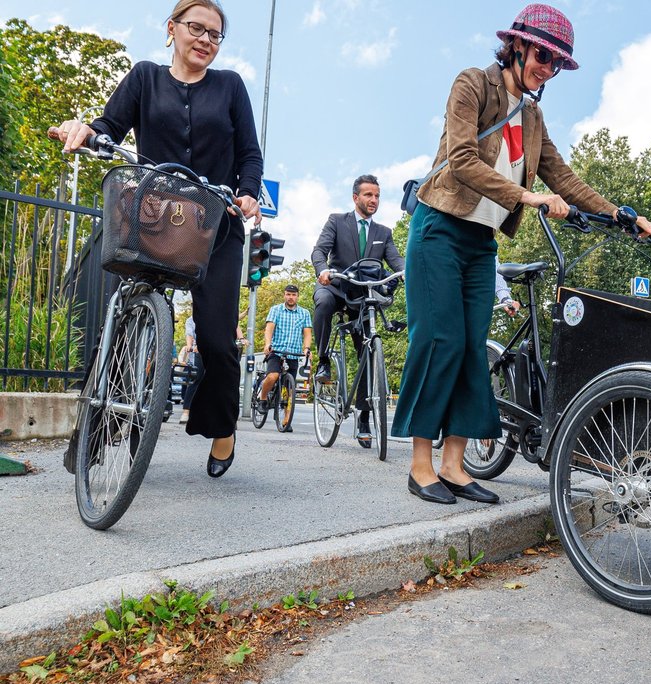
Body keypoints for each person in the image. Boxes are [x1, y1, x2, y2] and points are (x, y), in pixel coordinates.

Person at [392, 3, 651, 505]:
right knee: (439, 341)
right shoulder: (472, 82)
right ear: (517, 45)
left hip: (479, 242)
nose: (547, 68)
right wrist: (525, 197)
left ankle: (454, 464)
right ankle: (420, 464)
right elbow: (462, 159)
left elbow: (563, 177)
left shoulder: (532, 115)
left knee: (472, 347)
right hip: (439, 230)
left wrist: (623, 215)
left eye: (557, 63)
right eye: (542, 54)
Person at [49, 0, 262, 479]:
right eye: (197, 28)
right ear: (172, 29)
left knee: (215, 337)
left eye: (215, 34)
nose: (206, 39)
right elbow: (109, 127)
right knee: (122, 319)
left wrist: (248, 193)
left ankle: (221, 424)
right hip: (153, 216)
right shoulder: (144, 77)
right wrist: (85, 130)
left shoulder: (230, 86)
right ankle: (99, 435)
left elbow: (250, 154)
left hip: (215, 223)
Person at [311, 174, 405, 447]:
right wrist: (323, 270)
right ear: (356, 198)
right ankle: (323, 361)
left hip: (364, 295)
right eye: (368, 195)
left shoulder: (383, 233)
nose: (374, 200)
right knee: (325, 303)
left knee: (368, 350)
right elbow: (319, 250)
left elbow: (396, 259)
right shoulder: (337, 221)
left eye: (377, 196)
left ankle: (364, 416)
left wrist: (405, 272)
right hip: (337, 285)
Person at [256, 284, 313, 432]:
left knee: (290, 389)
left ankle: (286, 421)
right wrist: (267, 344)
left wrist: (306, 349)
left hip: (293, 353)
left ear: (297, 296)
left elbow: (307, 333)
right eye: (288, 294)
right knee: (273, 376)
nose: (291, 297)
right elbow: (269, 328)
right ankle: (263, 399)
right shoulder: (276, 310)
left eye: (293, 295)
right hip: (276, 351)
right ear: (284, 295)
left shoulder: (304, 313)